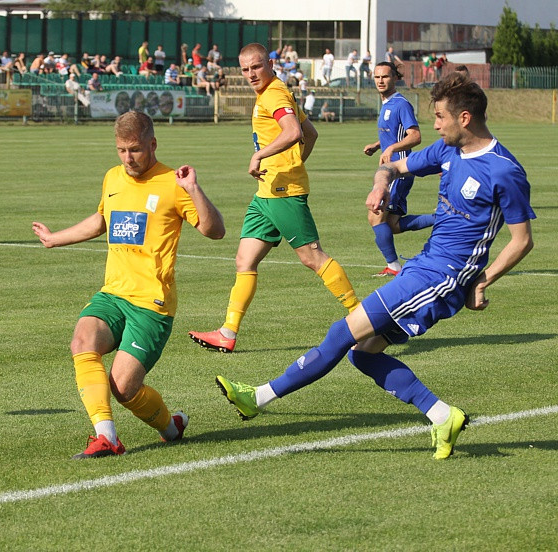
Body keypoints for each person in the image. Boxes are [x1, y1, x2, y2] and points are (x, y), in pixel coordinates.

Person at [214, 72, 536, 461]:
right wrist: (380, 185)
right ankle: (442, 415)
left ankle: (258, 397)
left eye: (439, 117)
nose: (434, 125)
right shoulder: (447, 151)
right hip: (424, 267)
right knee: (363, 353)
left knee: (341, 334)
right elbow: (393, 167)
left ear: (464, 118)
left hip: (441, 279)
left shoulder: (504, 170)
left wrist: (481, 282)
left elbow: (522, 240)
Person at [31, 111, 225, 458]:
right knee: (81, 341)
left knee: (122, 388)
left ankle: (170, 426)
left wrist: (194, 190)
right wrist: (54, 239)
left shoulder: (172, 183)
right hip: (114, 294)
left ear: (152, 144)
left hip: (152, 305)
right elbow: (102, 220)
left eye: (134, 150)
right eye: (121, 150)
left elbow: (215, 231)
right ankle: (106, 437)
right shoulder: (113, 178)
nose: (127, 158)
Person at [188, 44, 358, 353]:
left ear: (269, 64)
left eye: (256, 67)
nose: (251, 74)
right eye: (245, 69)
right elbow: (311, 133)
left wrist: (262, 155)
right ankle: (228, 332)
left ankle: (363, 320)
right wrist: (294, 163)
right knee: (245, 260)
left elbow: (294, 131)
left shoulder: (275, 94)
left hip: (282, 192)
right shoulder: (276, 92)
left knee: (312, 257)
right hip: (266, 193)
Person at [362, 61, 432, 277]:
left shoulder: (401, 104)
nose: (380, 81)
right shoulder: (386, 103)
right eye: (377, 77)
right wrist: (378, 145)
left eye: (385, 76)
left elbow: (415, 136)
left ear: (395, 78)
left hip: (399, 171)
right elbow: (394, 133)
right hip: (391, 170)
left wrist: (391, 147)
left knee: (375, 216)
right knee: (391, 224)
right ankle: (442, 218)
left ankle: (393, 267)